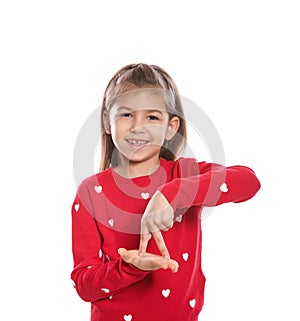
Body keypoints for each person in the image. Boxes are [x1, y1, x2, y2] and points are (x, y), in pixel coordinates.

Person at [71, 63, 261, 321]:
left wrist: (173, 193)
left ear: (171, 126)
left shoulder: (185, 175)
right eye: (126, 114)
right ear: (107, 121)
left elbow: (249, 182)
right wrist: (129, 267)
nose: (138, 126)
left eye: (152, 117)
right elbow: (84, 285)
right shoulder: (91, 193)